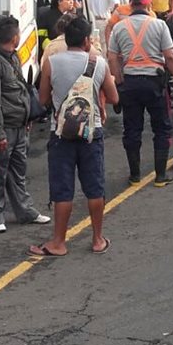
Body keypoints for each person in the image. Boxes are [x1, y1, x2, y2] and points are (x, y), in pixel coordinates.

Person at [31, 18, 118, 257]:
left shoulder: (51, 62)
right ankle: (98, 239)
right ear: (87, 40)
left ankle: (58, 242)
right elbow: (114, 97)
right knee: (94, 188)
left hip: (61, 134)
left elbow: (42, 99)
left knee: (63, 189)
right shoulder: (98, 63)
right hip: (92, 133)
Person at [0, 16, 50, 232]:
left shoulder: (13, 58)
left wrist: (27, 118)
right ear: (15, 37)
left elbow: (20, 90)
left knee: (18, 171)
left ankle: (24, 210)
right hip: (3, 129)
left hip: (19, 127)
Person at [108, 0, 173, 187]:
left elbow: (112, 58)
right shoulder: (159, 25)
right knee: (162, 128)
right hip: (154, 83)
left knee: (132, 129)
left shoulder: (119, 27)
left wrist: (118, 81)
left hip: (130, 83)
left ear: (131, 5)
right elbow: (169, 57)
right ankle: (160, 176)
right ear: (149, 5)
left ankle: (135, 176)